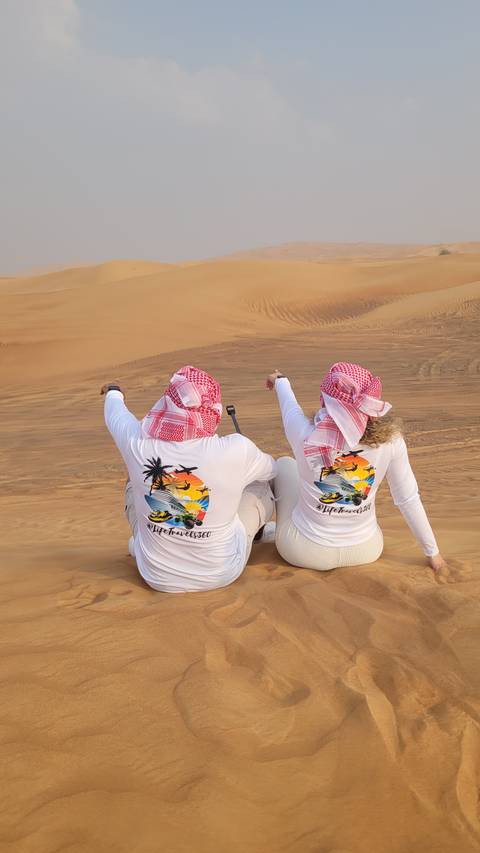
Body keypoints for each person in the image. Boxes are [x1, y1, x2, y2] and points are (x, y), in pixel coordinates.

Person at [102, 365, 275, 593]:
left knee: (134, 483)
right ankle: (256, 534)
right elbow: (271, 469)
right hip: (222, 573)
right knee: (261, 484)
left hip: (155, 576)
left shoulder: (137, 442)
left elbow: (115, 413)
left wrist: (114, 391)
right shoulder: (235, 448)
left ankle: (148, 545)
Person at [266, 362, 446, 573]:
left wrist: (279, 380)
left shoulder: (304, 433)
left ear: (326, 401)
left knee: (284, 465)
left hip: (304, 552)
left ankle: (266, 530)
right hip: (366, 549)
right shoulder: (390, 441)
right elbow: (407, 497)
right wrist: (433, 553)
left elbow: (290, 406)